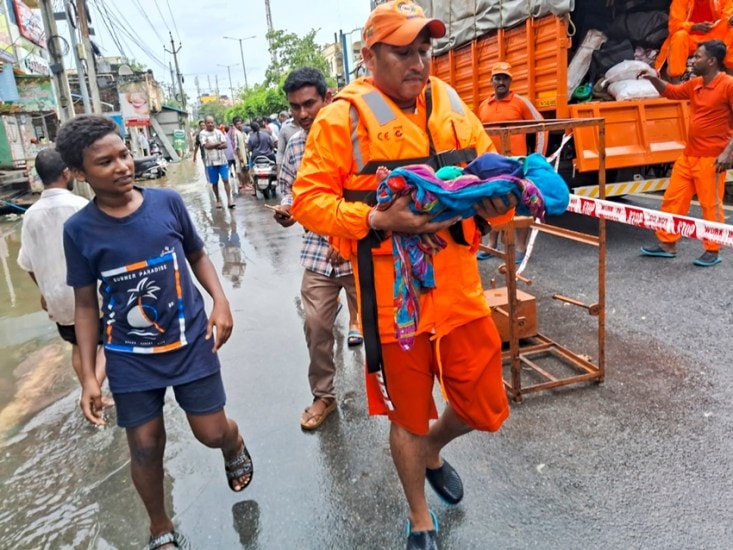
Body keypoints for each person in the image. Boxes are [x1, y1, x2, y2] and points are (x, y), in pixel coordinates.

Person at [290, 2, 516, 548]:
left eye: (425, 49)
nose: (419, 62)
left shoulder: (453, 103)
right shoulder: (340, 118)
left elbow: (491, 174)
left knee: (486, 408)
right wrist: (373, 217)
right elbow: (308, 201)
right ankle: (419, 517)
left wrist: (499, 202)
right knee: (408, 419)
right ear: (371, 56)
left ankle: (435, 446)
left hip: (461, 287)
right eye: (404, 51)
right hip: (393, 304)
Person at [56, 115, 252, 549]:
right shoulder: (79, 231)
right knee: (144, 445)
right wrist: (90, 376)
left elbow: (198, 254)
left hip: (190, 341)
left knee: (210, 431)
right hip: (129, 354)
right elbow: (86, 306)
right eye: (105, 162)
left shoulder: (166, 204)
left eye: (124, 154)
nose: (122, 166)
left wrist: (220, 300)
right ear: (79, 173)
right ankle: (159, 526)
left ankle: (233, 441)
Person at [274, 67, 363, 431]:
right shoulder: (295, 144)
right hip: (316, 254)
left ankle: (394, 395)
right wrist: (286, 209)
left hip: (361, 251)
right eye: (295, 107)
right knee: (315, 326)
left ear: (328, 98)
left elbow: (368, 196)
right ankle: (323, 395)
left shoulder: (358, 137)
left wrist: (345, 238)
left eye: (309, 103)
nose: (302, 114)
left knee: (384, 327)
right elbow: (290, 190)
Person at [17, 148, 110, 407]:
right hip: (92, 293)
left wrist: (44, 293)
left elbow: (27, 262)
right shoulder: (82, 206)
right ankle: (95, 391)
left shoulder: (30, 215)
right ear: (66, 172)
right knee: (111, 339)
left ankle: (90, 391)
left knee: (79, 345)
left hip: (57, 296)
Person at [640, 40, 733, 266]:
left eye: (698, 57)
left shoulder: (728, 85)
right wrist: (652, 78)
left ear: (711, 61)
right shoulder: (696, 84)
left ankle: (713, 250)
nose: (693, 60)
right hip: (689, 155)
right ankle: (666, 244)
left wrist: (727, 154)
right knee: (673, 199)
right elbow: (671, 92)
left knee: (711, 206)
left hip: (712, 158)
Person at [477, 61, 546, 263]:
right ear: (491, 81)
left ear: (510, 81)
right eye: (497, 78)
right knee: (492, 203)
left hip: (517, 167)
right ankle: (491, 245)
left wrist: (537, 157)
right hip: (491, 167)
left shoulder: (521, 103)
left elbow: (541, 126)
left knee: (521, 206)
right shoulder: (483, 106)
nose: (501, 82)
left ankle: (521, 248)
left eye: (505, 78)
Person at [656, 0, 733, 80]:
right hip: (690, 39)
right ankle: (676, 82)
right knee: (679, 35)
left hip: (714, 38)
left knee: (731, 31)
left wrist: (730, 21)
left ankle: (730, 80)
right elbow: (674, 26)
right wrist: (693, 27)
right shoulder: (679, 1)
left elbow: (727, 18)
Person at [199, 116, 235, 209]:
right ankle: (218, 200)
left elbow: (225, 145)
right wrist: (218, 143)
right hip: (210, 162)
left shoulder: (219, 132)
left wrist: (213, 145)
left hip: (222, 161)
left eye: (212, 122)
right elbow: (206, 146)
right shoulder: (202, 134)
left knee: (226, 180)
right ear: (206, 123)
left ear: (214, 123)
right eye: (208, 123)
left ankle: (229, 199)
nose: (210, 124)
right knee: (214, 182)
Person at [229, 117, 252, 191]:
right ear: (235, 125)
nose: (239, 125)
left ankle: (247, 184)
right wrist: (240, 156)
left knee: (245, 169)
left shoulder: (242, 132)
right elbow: (236, 147)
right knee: (242, 170)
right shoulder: (236, 133)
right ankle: (244, 185)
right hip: (240, 155)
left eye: (240, 124)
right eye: (237, 124)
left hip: (245, 154)